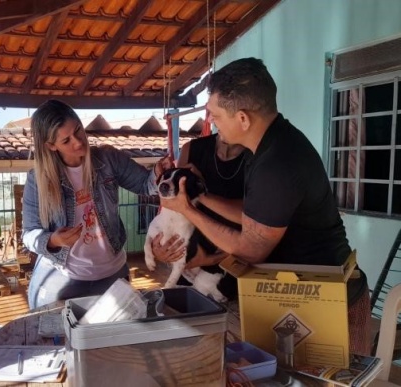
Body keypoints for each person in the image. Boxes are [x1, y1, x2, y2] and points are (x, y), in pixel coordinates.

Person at [158, 58, 371, 355]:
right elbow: (254, 216)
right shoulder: (269, 147)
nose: (212, 121)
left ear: (242, 118)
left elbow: (250, 248)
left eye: (215, 115)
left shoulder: (277, 162)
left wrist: (187, 210)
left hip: (330, 301)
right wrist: (201, 197)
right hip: (306, 294)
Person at [23, 99, 171, 309]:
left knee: (116, 340)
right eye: (66, 141)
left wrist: (158, 173)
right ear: (51, 146)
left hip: (112, 275)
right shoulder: (38, 179)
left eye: (78, 130)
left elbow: (145, 185)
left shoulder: (108, 159)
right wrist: (53, 240)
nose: (78, 142)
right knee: (56, 339)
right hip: (61, 277)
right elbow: (29, 234)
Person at [151, 132, 248, 300]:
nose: (209, 114)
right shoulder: (192, 149)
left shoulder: (257, 156)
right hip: (189, 261)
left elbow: (256, 221)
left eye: (215, 110)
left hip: (228, 270)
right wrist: (159, 249)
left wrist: (210, 259)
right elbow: (173, 203)